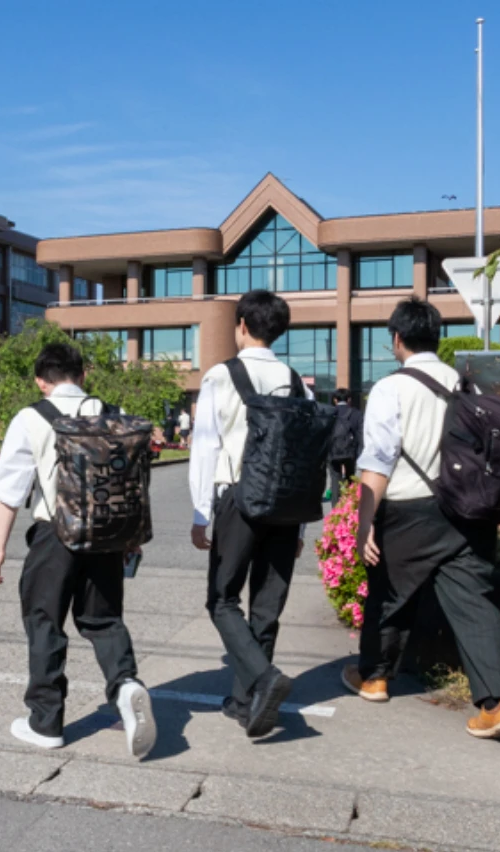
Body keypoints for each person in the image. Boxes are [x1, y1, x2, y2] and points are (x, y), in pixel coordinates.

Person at [344, 298, 500, 740]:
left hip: (410, 510)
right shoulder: (466, 386)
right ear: (438, 338)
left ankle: (375, 677)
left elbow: (379, 460)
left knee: (388, 591)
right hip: (466, 512)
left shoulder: (391, 388)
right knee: (474, 603)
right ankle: (498, 705)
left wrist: (365, 522)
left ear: (397, 339)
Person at [0, 343, 157, 758]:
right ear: (83, 375)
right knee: (104, 620)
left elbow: (10, 491)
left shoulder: (32, 417)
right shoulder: (112, 414)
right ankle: (125, 685)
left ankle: (46, 723)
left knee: (44, 620)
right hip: (108, 535)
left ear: (40, 381)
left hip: (55, 534)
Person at [189, 290, 306, 738]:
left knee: (222, 599)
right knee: (266, 606)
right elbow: (301, 454)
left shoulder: (222, 375)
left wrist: (202, 514)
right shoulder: (295, 380)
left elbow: (206, 447)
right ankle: (247, 704)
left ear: (241, 325)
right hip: (285, 505)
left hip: (237, 498)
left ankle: (262, 679)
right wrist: (298, 525)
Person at [328, 389, 364, 506]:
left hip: (332, 452)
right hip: (350, 452)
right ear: (349, 400)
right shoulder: (356, 414)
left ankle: (335, 508)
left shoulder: (329, 413)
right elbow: (360, 435)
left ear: (335, 400)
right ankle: (348, 506)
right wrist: (359, 453)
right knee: (350, 477)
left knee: (335, 480)